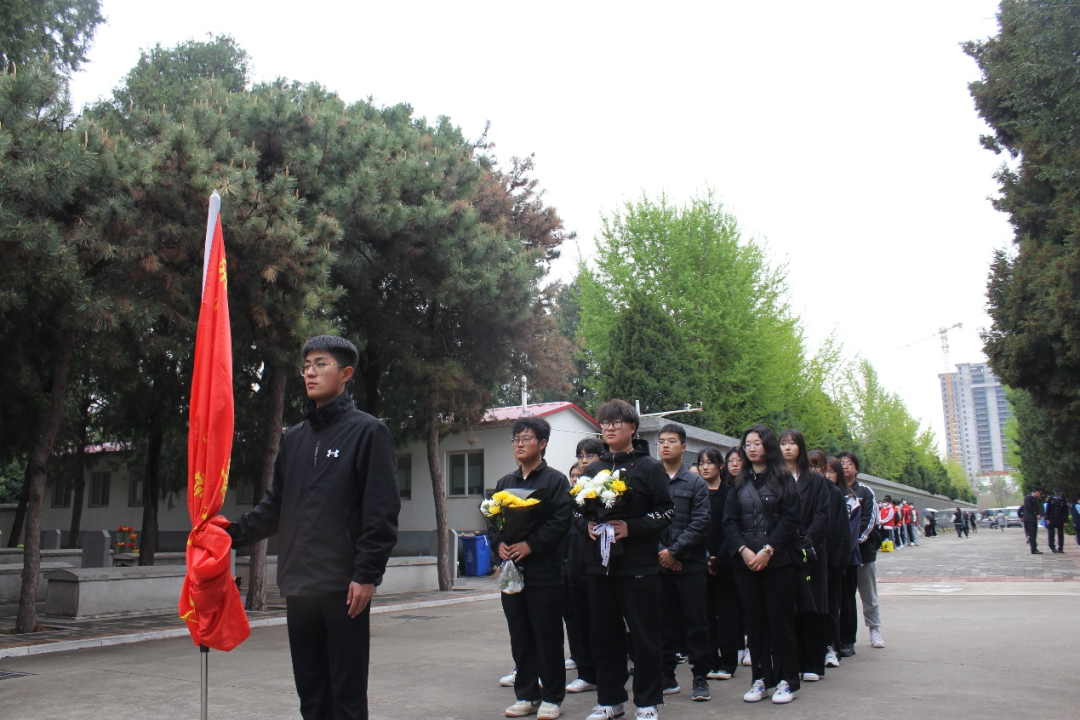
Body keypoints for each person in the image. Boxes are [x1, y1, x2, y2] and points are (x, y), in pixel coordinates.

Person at [225, 335, 400, 720]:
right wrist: (228, 535)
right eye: (306, 365)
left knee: (346, 692)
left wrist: (366, 574)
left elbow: (381, 511)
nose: (310, 372)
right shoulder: (295, 439)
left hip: (343, 588)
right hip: (299, 584)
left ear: (346, 373)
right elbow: (274, 508)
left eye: (321, 363)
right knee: (311, 692)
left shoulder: (368, 432)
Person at [578, 399, 673, 720]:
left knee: (644, 635)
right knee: (603, 635)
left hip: (638, 566)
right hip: (599, 566)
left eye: (617, 422)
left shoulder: (650, 468)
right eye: (605, 423)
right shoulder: (592, 470)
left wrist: (629, 527)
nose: (609, 427)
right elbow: (575, 513)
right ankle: (609, 699)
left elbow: (666, 511)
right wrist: (587, 525)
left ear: (633, 427)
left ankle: (647, 702)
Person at [490, 416, 573, 720]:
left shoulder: (555, 481)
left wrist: (531, 545)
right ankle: (526, 694)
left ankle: (552, 697)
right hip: (512, 573)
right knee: (520, 635)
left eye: (526, 438)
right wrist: (498, 544)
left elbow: (561, 522)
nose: (520, 444)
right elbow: (492, 522)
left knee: (547, 635)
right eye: (516, 439)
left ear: (543, 444)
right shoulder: (505, 483)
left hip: (544, 573)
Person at [723, 425, 802, 705]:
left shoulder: (784, 480)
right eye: (747, 444)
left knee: (780, 622)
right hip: (746, 565)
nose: (752, 448)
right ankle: (760, 679)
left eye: (757, 443)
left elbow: (791, 520)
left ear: (767, 446)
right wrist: (743, 551)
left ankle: (786, 680)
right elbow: (729, 522)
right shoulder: (738, 483)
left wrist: (768, 550)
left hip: (779, 563)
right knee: (754, 624)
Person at [655, 424, 713, 702]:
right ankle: (666, 675)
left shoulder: (696, 483)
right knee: (663, 623)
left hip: (690, 565)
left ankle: (700, 677)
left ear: (683, 447)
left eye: (672, 441)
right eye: (661, 441)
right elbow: (643, 520)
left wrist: (675, 553)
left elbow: (700, 523)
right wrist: (663, 553)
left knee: (696, 623)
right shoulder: (651, 479)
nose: (665, 446)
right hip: (658, 564)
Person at [780, 430, 830, 684]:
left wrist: (806, 544)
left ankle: (813, 663)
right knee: (789, 609)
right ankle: (794, 663)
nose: (788, 448)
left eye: (792, 444)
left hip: (810, 553)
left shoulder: (815, 480)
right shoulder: (774, 479)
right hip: (782, 552)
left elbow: (822, 516)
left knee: (812, 607)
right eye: (783, 444)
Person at [564, 438, 603, 695]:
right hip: (575, 568)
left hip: (604, 568)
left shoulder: (611, 487)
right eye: (581, 456)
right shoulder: (573, 496)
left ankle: (609, 671)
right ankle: (586, 672)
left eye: (590, 456)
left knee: (603, 624)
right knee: (578, 622)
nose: (585, 460)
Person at [701, 447, 743, 682]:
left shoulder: (731, 493)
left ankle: (728, 662)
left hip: (727, 563)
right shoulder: (698, 493)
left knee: (727, 615)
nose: (705, 466)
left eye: (710, 462)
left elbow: (734, 529)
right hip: (701, 562)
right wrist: (704, 557)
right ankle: (710, 661)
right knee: (706, 616)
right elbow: (695, 527)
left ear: (720, 466)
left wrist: (720, 559)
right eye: (701, 462)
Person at [837, 451, 883, 652]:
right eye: (841, 463)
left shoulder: (865, 492)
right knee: (845, 596)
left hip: (863, 552)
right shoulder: (834, 490)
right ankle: (845, 639)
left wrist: (855, 541)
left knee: (868, 592)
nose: (845, 466)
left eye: (849, 463)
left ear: (856, 468)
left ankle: (874, 628)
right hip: (841, 554)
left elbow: (869, 521)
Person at [817, 454, 852, 669]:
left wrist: (838, 563)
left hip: (831, 563)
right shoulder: (803, 491)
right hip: (810, 560)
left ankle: (832, 647)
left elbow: (842, 534)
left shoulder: (834, 494)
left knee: (831, 606)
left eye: (820, 467)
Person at [1045, 487, 1068, 554]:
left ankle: (1060, 548)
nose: (1058, 494)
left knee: (1060, 534)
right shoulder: (1051, 499)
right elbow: (1048, 509)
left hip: (1060, 519)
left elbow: (1065, 511)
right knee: (1051, 534)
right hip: (1052, 519)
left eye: (1059, 493)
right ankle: (1052, 547)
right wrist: (1047, 518)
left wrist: (1066, 521)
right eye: (1057, 493)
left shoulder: (1063, 500)